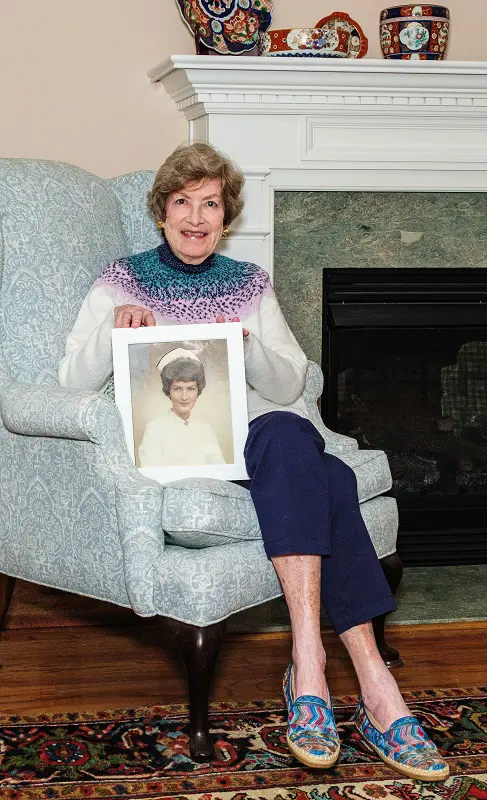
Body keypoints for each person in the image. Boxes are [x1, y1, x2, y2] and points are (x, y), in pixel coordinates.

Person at [58, 142, 448, 781]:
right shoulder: (120, 278)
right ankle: (369, 691)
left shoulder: (248, 284)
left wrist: (247, 344)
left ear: (226, 217)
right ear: (162, 212)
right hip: (175, 443)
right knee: (331, 475)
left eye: (210, 204)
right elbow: (72, 379)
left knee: (298, 444)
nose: (195, 216)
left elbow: (292, 381)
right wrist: (114, 330)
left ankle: (317, 669)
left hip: (255, 438)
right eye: (182, 202)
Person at [138, 347, 225, 467]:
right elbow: (152, 474)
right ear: (168, 391)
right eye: (177, 389)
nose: (184, 397)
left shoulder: (205, 429)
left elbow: (219, 470)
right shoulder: (154, 430)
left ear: (198, 390)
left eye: (190, 389)